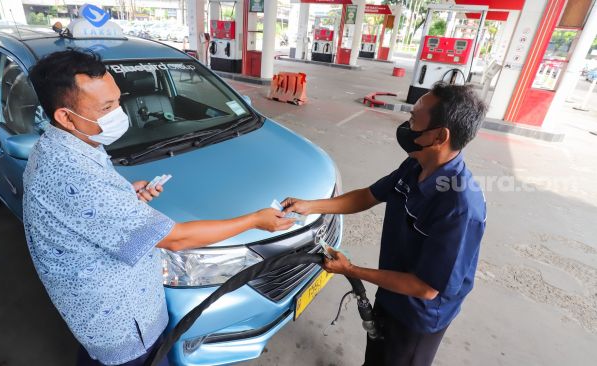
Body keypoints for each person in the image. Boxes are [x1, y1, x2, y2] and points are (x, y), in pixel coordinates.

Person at [24, 50, 294, 366]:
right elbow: (176, 239)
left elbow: (89, 212)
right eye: (106, 107)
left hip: (100, 314)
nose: (119, 113)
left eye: (117, 101)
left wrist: (125, 195)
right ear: (65, 117)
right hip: (122, 325)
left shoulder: (66, 145)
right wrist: (254, 220)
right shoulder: (74, 173)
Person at [283, 82, 488, 366]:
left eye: (415, 118)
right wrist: (310, 206)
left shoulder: (459, 206)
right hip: (392, 290)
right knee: (376, 353)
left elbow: (426, 288)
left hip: (418, 316)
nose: (407, 124)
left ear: (439, 135)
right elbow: (368, 196)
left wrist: (350, 269)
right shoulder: (416, 165)